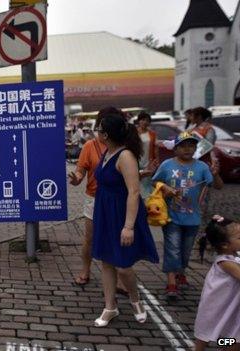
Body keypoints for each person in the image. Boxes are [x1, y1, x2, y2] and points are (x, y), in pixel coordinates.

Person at [91, 112, 159, 327]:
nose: (97, 133)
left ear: (107, 134)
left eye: (100, 130)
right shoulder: (107, 153)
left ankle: (135, 300)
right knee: (107, 261)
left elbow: (133, 191)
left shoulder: (125, 156)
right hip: (104, 211)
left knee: (123, 265)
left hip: (122, 214)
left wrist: (128, 227)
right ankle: (110, 307)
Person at [152, 131, 224, 298]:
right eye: (183, 146)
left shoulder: (202, 167)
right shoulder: (167, 165)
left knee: (185, 251)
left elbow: (218, 185)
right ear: (175, 148)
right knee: (173, 249)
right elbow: (155, 181)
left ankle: (180, 272)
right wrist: (166, 188)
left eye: (191, 145)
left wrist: (215, 174)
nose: (187, 149)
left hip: (193, 218)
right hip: (171, 217)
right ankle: (171, 283)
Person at [68, 108, 128, 294]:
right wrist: (77, 178)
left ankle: (119, 279)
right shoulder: (89, 146)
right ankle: (85, 270)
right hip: (94, 198)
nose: (100, 131)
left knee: (118, 240)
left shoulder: (123, 148)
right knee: (90, 238)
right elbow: (80, 171)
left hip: (117, 200)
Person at [193, 215, 240, 351]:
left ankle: (223, 345)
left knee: (232, 336)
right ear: (225, 245)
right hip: (219, 303)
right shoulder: (225, 261)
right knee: (207, 332)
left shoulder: (235, 254)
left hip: (232, 303)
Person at [135, 112, 159, 198]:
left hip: (148, 162)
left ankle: (147, 202)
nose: (145, 122)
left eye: (147, 120)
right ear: (139, 121)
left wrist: (157, 161)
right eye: (143, 120)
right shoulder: (134, 133)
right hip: (136, 162)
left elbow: (155, 148)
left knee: (147, 184)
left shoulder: (152, 134)